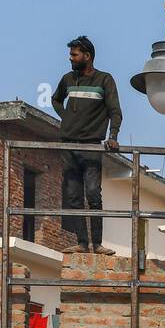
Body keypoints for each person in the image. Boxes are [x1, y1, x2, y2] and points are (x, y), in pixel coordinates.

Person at [52, 35, 122, 255]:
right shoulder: (67, 79)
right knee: (73, 195)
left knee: (93, 193)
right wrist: (66, 118)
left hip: (91, 145)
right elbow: (56, 99)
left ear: (87, 56)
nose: (70, 58)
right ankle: (82, 243)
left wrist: (113, 136)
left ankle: (97, 244)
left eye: (74, 54)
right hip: (68, 145)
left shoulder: (104, 80)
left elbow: (115, 111)